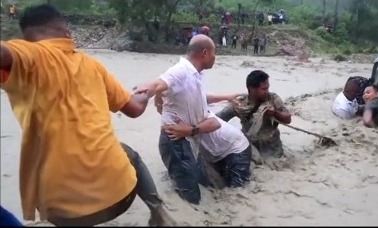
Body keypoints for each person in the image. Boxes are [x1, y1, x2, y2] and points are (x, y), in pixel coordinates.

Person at [0, 4, 175, 226]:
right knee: (128, 154)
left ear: (26, 37)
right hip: (121, 195)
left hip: (60, 211)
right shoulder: (92, 65)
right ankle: (158, 210)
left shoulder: (25, 55)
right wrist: (146, 92)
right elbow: (134, 109)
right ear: (67, 32)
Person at [133, 34, 238, 205]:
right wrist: (147, 91)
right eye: (214, 53)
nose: (215, 58)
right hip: (176, 142)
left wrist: (227, 97)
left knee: (204, 183)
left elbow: (201, 98)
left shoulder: (195, 74)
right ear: (205, 52)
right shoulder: (181, 71)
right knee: (191, 199)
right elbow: (161, 82)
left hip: (189, 142)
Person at [154, 97, 252, 188]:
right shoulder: (171, 117)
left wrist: (189, 130)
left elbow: (214, 123)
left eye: (163, 106)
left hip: (236, 148)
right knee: (214, 183)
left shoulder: (191, 110)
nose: (160, 109)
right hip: (214, 152)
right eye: (158, 106)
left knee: (237, 187)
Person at [216, 70, 292, 159]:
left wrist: (275, 113)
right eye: (264, 89)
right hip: (250, 146)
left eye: (267, 88)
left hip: (273, 148)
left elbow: (288, 119)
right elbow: (218, 120)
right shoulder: (240, 103)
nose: (267, 91)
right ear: (251, 88)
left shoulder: (273, 98)